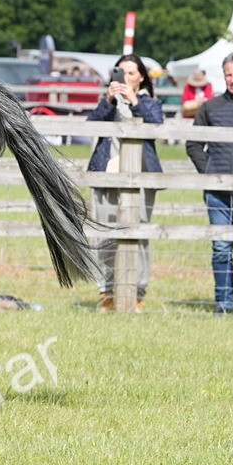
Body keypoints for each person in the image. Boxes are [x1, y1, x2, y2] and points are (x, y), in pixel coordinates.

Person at [85, 54, 164, 311]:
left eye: (131, 73)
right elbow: (91, 126)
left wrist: (134, 100)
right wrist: (109, 100)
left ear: (141, 76)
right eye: (121, 73)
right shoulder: (107, 102)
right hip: (106, 174)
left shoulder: (150, 102)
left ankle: (137, 292)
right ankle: (107, 292)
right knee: (106, 234)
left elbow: (157, 125)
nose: (126, 78)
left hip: (140, 177)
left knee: (138, 236)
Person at [186, 52, 233, 315]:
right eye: (229, 74)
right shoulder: (210, 107)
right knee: (221, 247)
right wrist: (209, 170)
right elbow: (193, 144)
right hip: (217, 190)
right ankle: (224, 304)